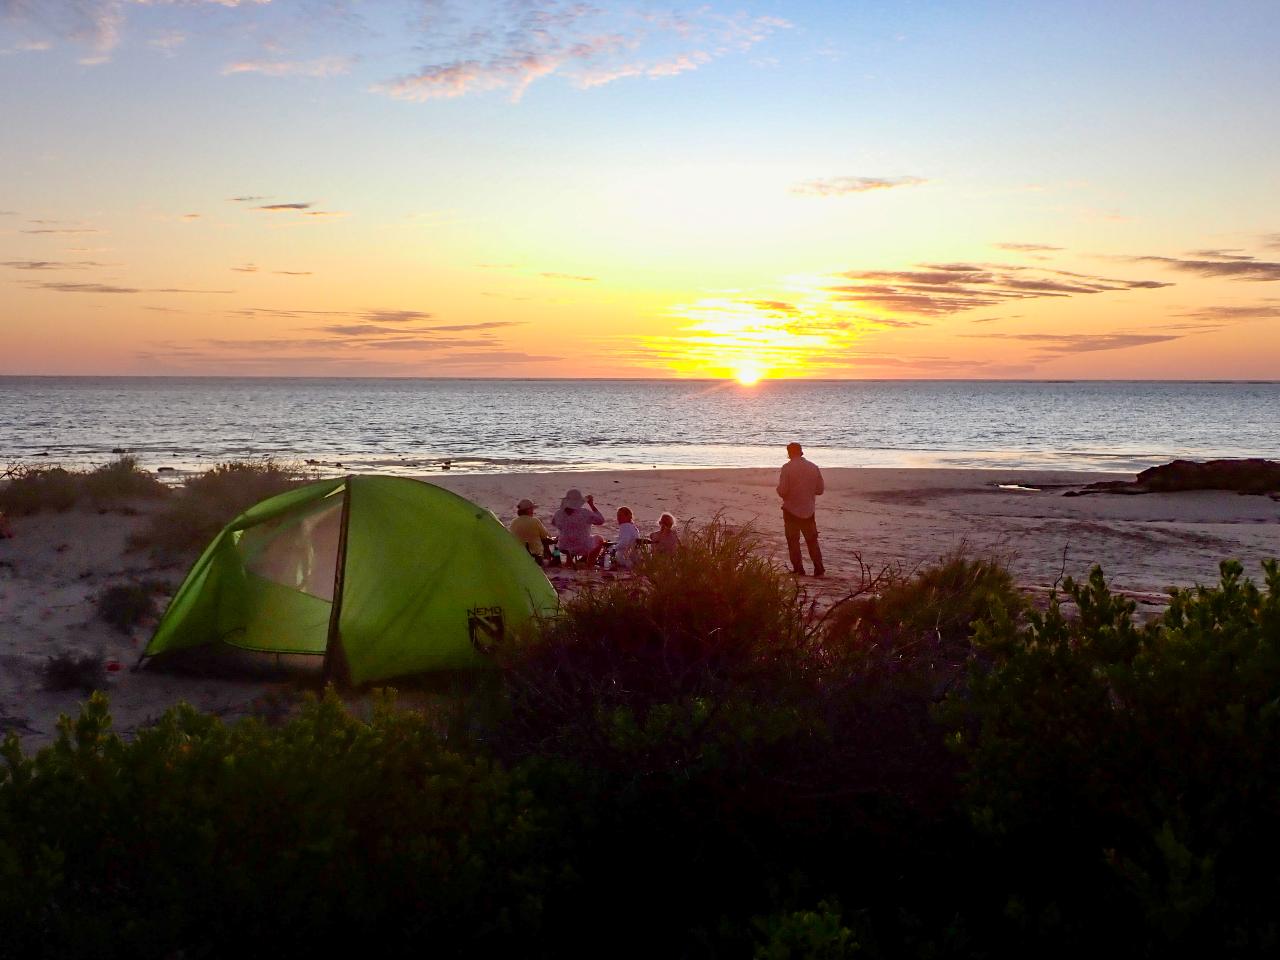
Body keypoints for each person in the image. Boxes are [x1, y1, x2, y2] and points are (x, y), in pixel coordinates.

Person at [776, 441, 825, 576]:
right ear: (801, 451)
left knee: (793, 541)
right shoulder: (813, 467)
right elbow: (820, 490)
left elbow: (783, 490)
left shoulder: (787, 468)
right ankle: (818, 568)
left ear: (789, 453)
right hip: (809, 509)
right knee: (812, 540)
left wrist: (779, 491)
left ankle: (798, 569)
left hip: (791, 509)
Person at [552, 488, 606, 568]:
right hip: (582, 545)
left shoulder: (559, 513)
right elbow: (601, 521)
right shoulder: (584, 513)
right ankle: (589, 565)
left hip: (564, 546)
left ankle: (569, 562)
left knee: (568, 536)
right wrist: (591, 505)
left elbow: (554, 523)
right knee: (599, 538)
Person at [508, 498, 552, 563]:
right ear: (528, 510)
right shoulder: (535, 521)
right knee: (545, 540)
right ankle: (548, 559)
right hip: (535, 555)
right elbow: (546, 536)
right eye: (532, 509)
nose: (533, 511)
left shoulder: (514, 522)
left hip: (518, 553)